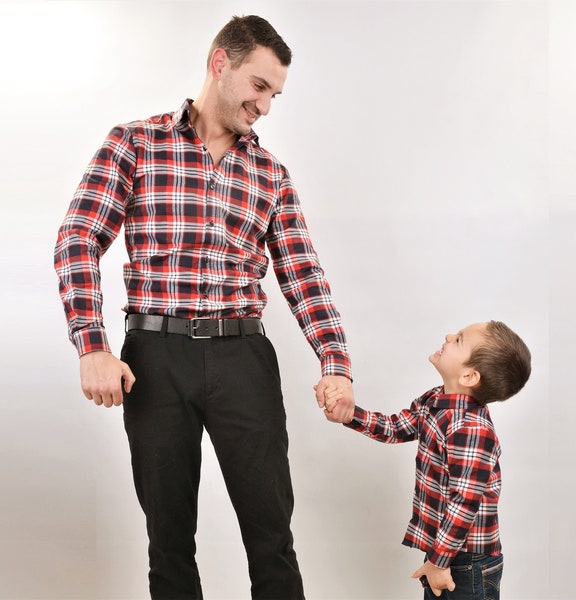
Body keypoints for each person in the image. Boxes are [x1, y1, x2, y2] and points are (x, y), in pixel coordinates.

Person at [54, 15, 355, 600]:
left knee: (271, 535)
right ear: (221, 63)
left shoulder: (270, 174)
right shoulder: (135, 143)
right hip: (155, 358)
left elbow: (304, 275)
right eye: (259, 87)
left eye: (275, 94)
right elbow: (78, 238)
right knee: (168, 538)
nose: (265, 106)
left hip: (243, 356)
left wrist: (335, 362)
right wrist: (91, 344)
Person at [321, 320, 531, 600]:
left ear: (469, 376)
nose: (448, 335)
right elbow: (397, 427)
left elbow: (464, 502)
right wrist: (350, 415)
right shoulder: (435, 399)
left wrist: (439, 560)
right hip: (443, 552)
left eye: (458, 340)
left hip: (467, 560)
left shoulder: (471, 428)